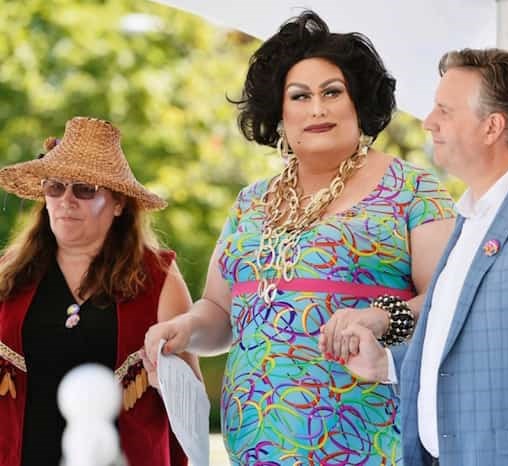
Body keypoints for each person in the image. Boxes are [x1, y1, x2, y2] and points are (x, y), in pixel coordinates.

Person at [143, 10, 456, 465]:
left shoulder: (412, 190)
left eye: (332, 92)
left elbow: (450, 300)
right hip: (256, 450)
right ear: (279, 109)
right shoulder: (250, 203)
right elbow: (219, 314)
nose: (317, 108)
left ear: (358, 103)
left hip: (373, 445)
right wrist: (185, 329)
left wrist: (379, 316)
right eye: (299, 95)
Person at [326, 48, 508, 466]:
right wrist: (386, 363)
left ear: (492, 126)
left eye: (444, 110)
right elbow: (461, 348)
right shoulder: (468, 216)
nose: (428, 123)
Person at [0, 116, 199, 466]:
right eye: (55, 187)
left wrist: (166, 381)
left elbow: (191, 403)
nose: (66, 200)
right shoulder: (9, 276)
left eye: (85, 189)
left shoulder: (159, 278)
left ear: (119, 204)